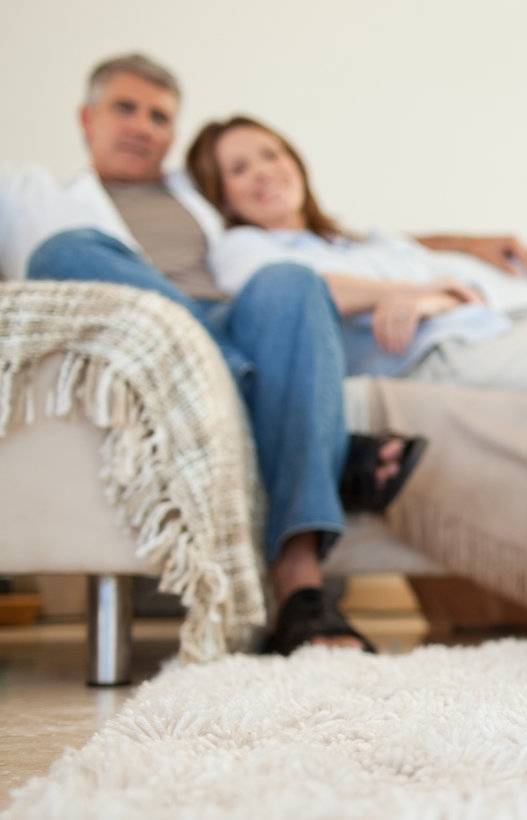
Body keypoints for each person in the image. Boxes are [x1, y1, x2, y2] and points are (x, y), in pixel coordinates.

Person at [20, 54, 439, 654]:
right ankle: (291, 418)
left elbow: (332, 230)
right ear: (87, 119)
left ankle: (299, 589)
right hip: (151, 338)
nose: (143, 125)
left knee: (293, 279)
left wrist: (469, 244)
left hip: (235, 325)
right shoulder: (37, 195)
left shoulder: (202, 192)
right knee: (63, 251)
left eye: (160, 116)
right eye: (125, 108)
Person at [184, 115, 527, 515]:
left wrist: (435, 283)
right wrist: (408, 294)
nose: (263, 171)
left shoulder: (354, 242)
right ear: (223, 196)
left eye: (270, 153)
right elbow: (301, 294)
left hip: (500, 325)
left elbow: (451, 286)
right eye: (239, 168)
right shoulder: (242, 250)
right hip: (442, 357)